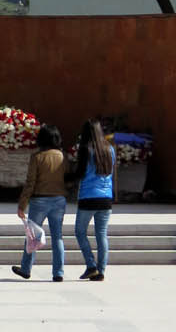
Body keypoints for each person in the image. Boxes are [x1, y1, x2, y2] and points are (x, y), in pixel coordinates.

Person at [12, 122, 67, 282]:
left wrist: (22, 205)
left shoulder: (37, 157)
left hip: (40, 200)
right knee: (58, 237)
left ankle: (26, 268)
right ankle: (58, 273)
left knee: (33, 236)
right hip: (59, 200)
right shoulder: (63, 156)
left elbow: (30, 183)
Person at [74, 118, 116, 282]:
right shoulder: (110, 150)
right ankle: (101, 270)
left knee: (80, 232)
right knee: (101, 235)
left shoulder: (86, 149)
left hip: (88, 197)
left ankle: (91, 265)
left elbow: (79, 174)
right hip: (106, 198)